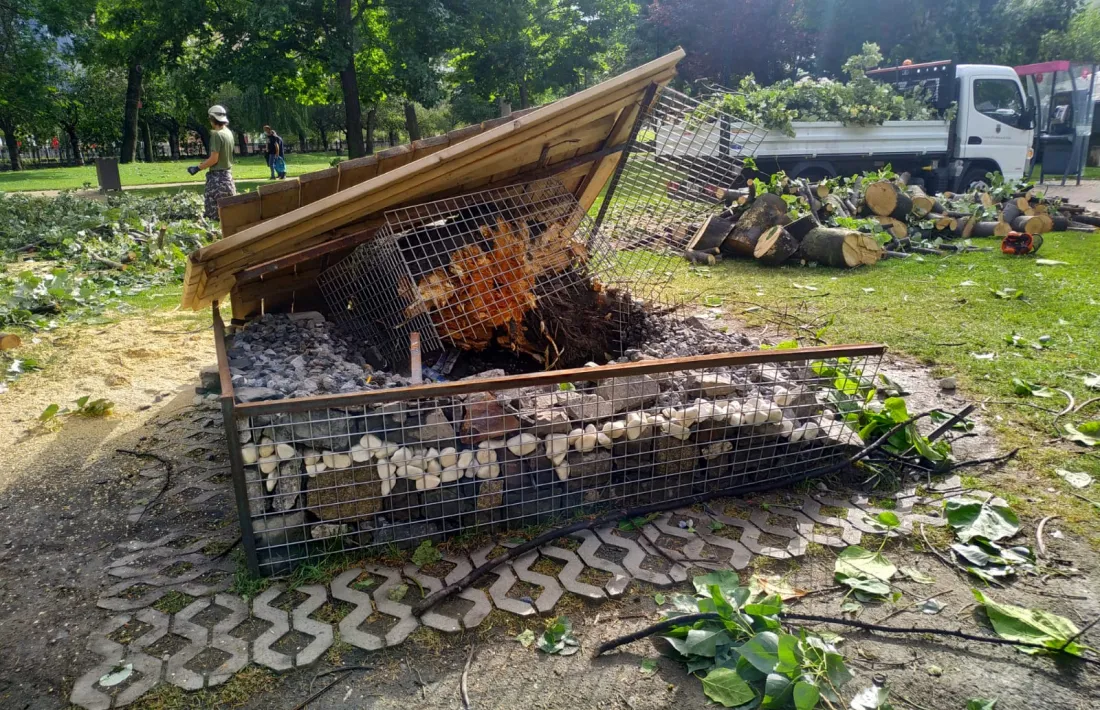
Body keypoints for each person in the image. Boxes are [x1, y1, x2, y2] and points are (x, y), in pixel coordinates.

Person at [188, 105, 237, 220]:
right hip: (228, 178)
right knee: (228, 216)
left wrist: (197, 168)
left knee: (214, 217)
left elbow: (214, 159)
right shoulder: (228, 133)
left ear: (212, 118)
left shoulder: (217, 135)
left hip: (217, 180)